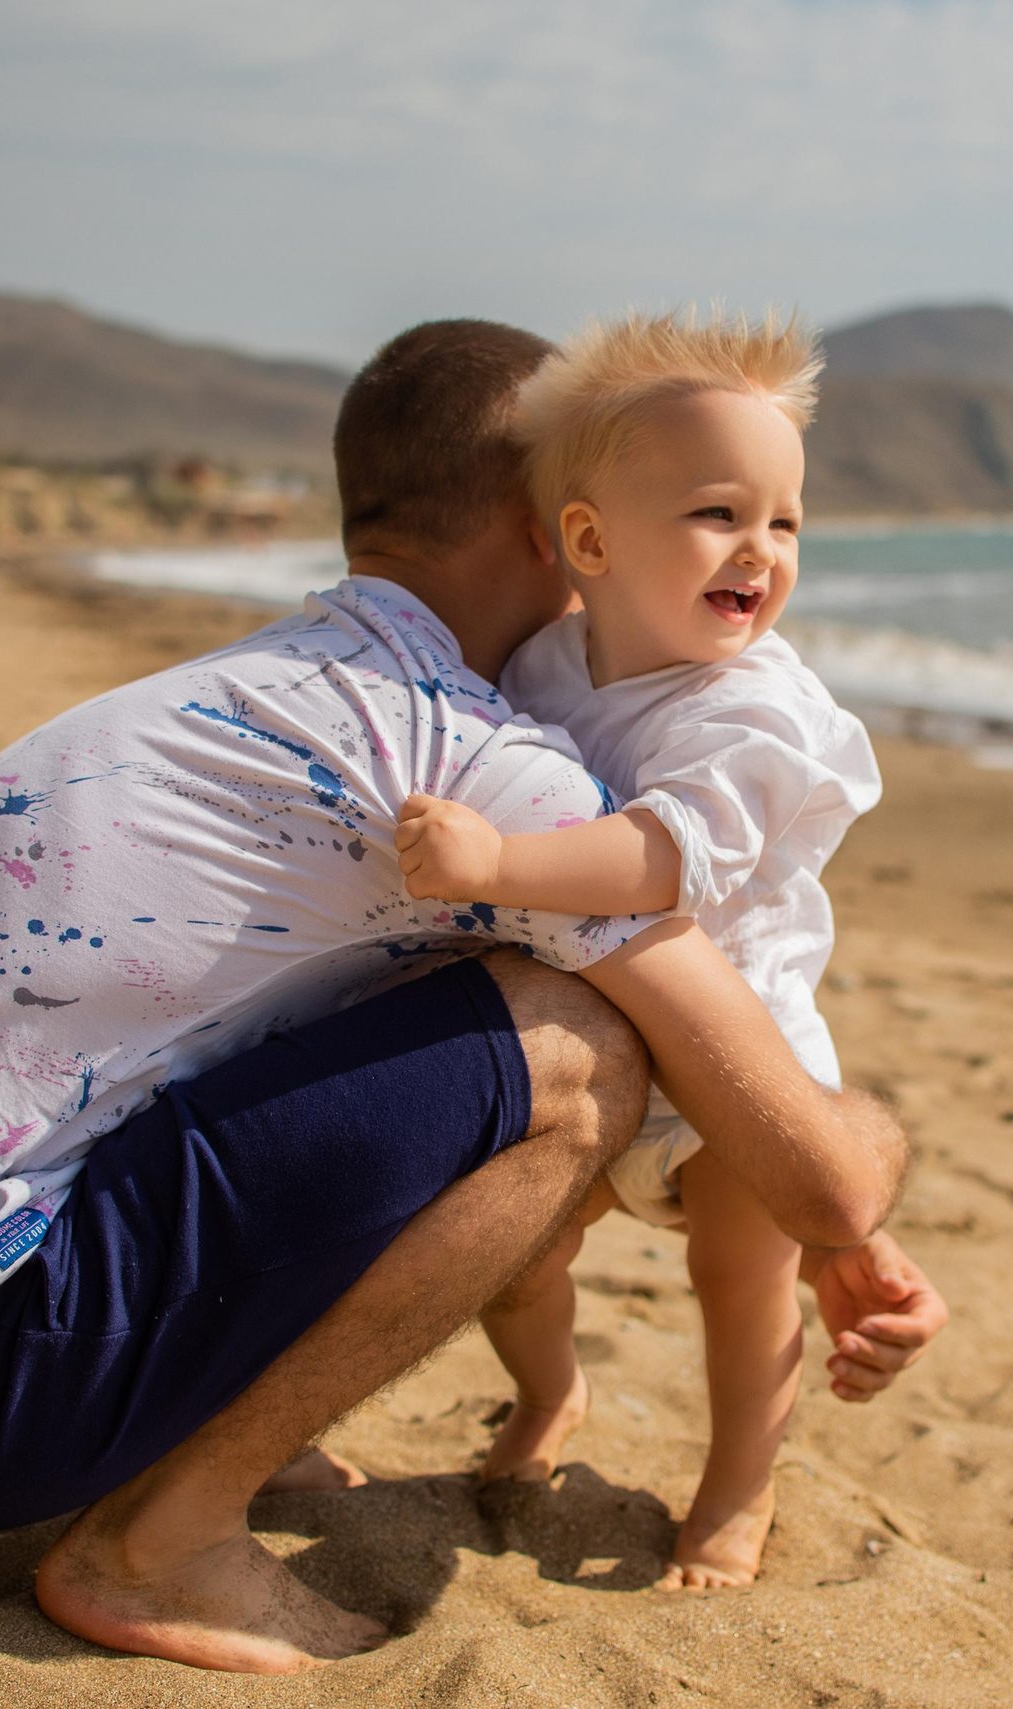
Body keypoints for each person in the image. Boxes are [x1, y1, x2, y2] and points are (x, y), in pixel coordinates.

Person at [0, 319, 946, 1675]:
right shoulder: (469, 761)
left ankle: (215, 1423)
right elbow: (825, 1183)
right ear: (560, 531)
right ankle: (163, 1541)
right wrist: (865, 1184)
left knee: (398, 990)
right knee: (583, 1040)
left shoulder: (258, 685)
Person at [394, 310, 879, 1589]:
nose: (760, 552)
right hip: (601, 1049)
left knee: (741, 1278)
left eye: (784, 521)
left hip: (735, 1062)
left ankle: (736, 1484)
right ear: (591, 542)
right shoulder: (547, 664)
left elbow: (659, 861)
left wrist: (497, 864)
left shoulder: (757, 707)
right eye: (720, 513)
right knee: (522, 1253)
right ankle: (551, 1393)